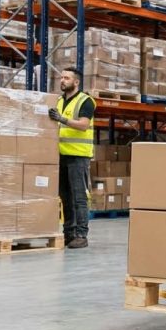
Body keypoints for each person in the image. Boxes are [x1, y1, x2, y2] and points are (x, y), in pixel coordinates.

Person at [47, 67, 96, 249]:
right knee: (65, 197)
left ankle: (82, 235)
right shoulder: (59, 101)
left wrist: (62, 119)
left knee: (79, 197)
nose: (62, 80)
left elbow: (83, 125)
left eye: (66, 78)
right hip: (61, 155)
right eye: (61, 77)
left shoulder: (86, 101)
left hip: (78, 155)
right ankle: (69, 233)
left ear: (76, 82)